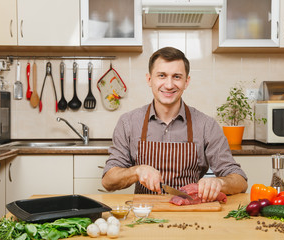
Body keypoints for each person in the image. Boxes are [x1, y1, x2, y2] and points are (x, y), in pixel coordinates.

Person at [102, 47, 247, 202]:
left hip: (190, 212)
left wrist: (219, 182)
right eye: (162, 76)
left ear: (186, 82)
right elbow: (108, 181)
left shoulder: (206, 125)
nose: (169, 85)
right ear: (149, 79)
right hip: (143, 213)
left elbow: (240, 181)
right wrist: (137, 171)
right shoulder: (129, 122)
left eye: (177, 77)